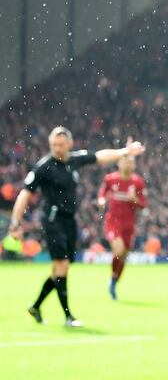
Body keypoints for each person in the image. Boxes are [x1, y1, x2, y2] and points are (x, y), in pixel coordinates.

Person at [7, 127, 145, 327]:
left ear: (69, 144)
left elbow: (100, 157)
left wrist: (124, 152)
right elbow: (25, 194)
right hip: (52, 220)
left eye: (61, 144)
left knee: (59, 270)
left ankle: (36, 306)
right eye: (54, 145)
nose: (57, 148)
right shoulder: (44, 167)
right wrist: (15, 222)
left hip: (69, 222)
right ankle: (68, 317)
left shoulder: (74, 160)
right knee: (62, 266)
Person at [97, 156, 147, 300]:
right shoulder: (110, 179)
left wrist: (135, 199)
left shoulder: (137, 182)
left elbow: (143, 205)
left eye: (130, 162)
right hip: (113, 222)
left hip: (129, 224)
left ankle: (113, 281)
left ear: (134, 165)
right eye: (124, 161)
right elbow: (102, 193)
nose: (127, 164)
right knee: (118, 250)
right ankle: (113, 279)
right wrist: (101, 200)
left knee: (123, 256)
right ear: (119, 163)